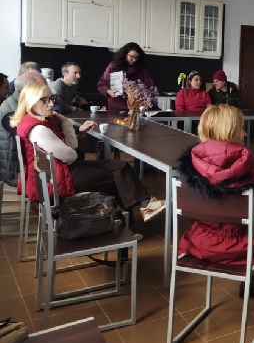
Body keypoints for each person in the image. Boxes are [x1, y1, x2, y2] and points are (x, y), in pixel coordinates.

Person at [10, 83, 164, 237]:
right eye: (44, 100)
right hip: (61, 176)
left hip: (63, 168)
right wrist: (68, 144)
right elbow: (71, 155)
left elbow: (72, 147)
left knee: (121, 166)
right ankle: (124, 231)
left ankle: (145, 204)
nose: (51, 104)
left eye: (51, 98)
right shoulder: (39, 129)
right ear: (31, 102)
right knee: (116, 180)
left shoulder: (45, 120)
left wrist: (64, 121)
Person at [176, 105, 254, 296]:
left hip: (201, 242)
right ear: (230, 132)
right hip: (247, 247)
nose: (245, 133)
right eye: (241, 128)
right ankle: (253, 279)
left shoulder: (190, 165)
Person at [0, 72, 46, 186]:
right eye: (41, 89)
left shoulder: (23, 105)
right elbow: (35, 137)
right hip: (17, 172)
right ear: (28, 91)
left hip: (27, 165)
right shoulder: (10, 112)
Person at [97, 42, 156, 111]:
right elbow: (102, 84)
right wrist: (109, 91)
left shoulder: (142, 70)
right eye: (131, 56)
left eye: (136, 57)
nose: (134, 60)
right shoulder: (113, 66)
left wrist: (148, 97)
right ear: (125, 54)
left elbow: (150, 87)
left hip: (135, 108)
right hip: (115, 107)